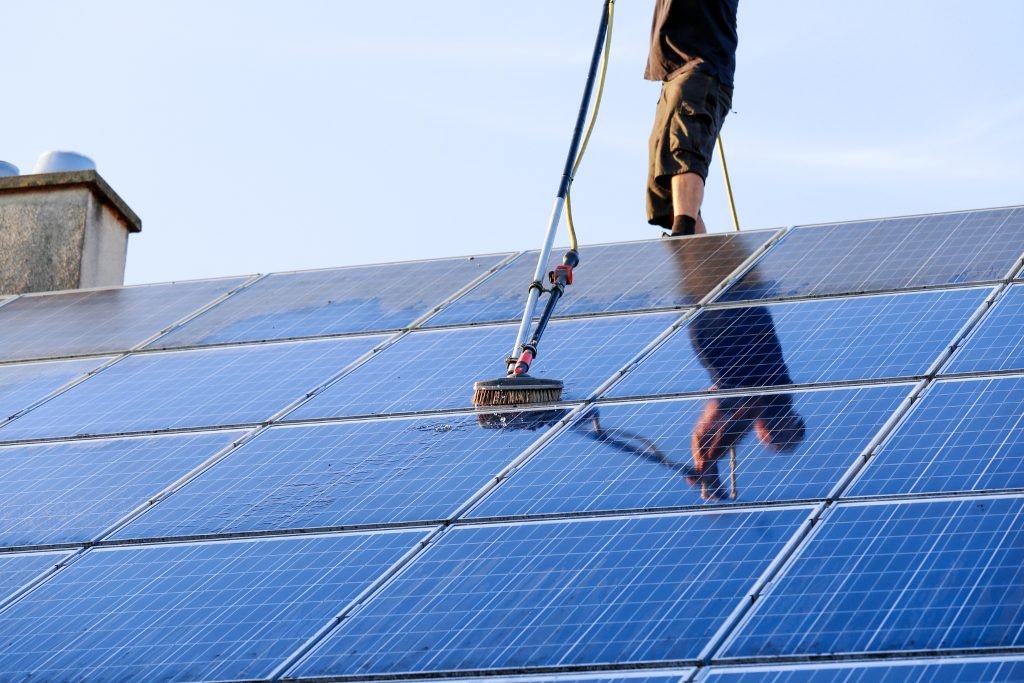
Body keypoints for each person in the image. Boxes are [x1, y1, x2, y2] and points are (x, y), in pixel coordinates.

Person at [646, 0, 739, 236]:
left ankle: (684, 231)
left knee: (684, 148)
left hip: (701, 70)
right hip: (674, 74)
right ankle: (698, 259)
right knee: (663, 173)